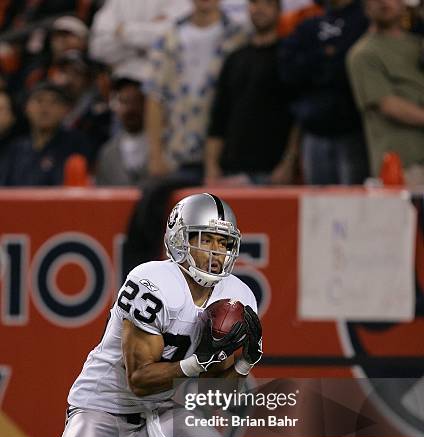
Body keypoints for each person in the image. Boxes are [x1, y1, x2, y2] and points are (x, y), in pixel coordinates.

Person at [8, 192, 263, 437]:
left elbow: (220, 389)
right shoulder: (152, 281)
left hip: (161, 410)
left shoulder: (238, 296)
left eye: (224, 241)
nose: (217, 251)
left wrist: (242, 364)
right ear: (179, 239)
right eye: (206, 238)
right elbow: (138, 377)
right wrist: (199, 362)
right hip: (103, 405)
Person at [122, 0, 246, 274]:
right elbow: (155, 97)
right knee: (153, 206)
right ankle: (141, 283)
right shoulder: (170, 36)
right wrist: (155, 154)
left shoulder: (238, 35)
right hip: (178, 154)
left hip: (227, 153)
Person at [205, 0, 298, 186]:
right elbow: (219, 117)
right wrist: (211, 166)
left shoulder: (289, 56)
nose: (259, 9)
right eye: (254, 3)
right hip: (230, 171)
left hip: (271, 172)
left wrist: (288, 162)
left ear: (279, 10)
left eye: (267, 4)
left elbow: (298, 116)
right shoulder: (234, 58)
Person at [278, 0, 369, 185]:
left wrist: (321, 61)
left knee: (353, 205)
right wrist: (325, 56)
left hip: (354, 130)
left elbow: (350, 70)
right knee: (317, 206)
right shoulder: (308, 24)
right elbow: (287, 71)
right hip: (314, 130)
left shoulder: (364, 20)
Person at [347, 0, 424, 186]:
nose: (384, 1)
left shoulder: (418, 45)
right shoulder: (363, 53)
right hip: (401, 168)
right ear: (365, 7)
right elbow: (388, 105)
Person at [2, 82, 92, 186]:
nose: (45, 108)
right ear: (26, 108)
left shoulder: (77, 144)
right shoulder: (15, 149)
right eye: (39, 100)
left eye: (54, 102)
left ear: (65, 110)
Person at [95, 78, 148, 186]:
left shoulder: (162, 149)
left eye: (136, 101)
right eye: (124, 102)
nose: (130, 109)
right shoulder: (108, 153)